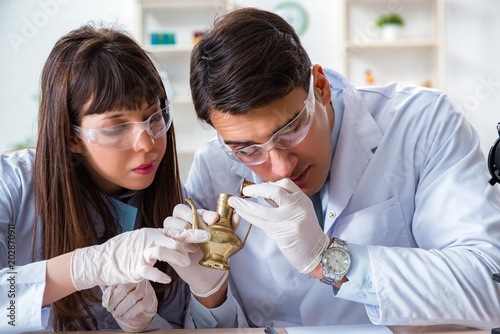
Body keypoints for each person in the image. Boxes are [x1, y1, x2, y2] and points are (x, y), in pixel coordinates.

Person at [170, 7, 500, 329]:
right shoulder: (214, 169)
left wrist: (327, 259)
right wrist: (210, 294)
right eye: (248, 149)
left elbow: (490, 283)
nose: (282, 166)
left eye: (290, 130)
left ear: (320, 87)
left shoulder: (423, 122)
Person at [0, 25, 213, 332]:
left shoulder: (171, 201)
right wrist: (86, 266)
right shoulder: (15, 183)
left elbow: (192, 324)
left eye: (154, 117)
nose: (147, 144)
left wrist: (152, 321)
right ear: (71, 137)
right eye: (116, 128)